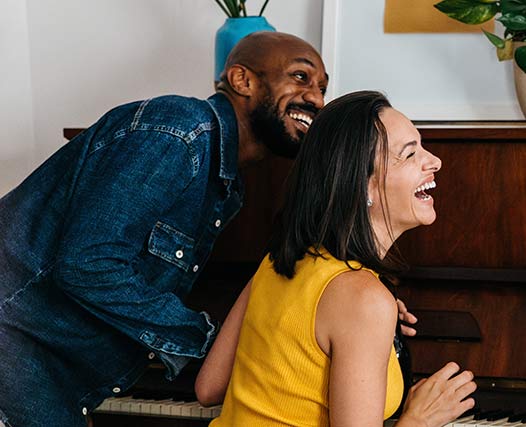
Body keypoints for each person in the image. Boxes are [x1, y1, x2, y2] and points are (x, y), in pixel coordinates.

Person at [0, 32, 331, 427]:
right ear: (242, 80)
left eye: (323, 87)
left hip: (52, 370)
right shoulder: (179, 132)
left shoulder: (225, 183)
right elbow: (88, 264)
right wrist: (215, 344)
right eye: (301, 77)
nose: (317, 99)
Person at [194, 91, 475, 426]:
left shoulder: (278, 262)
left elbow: (208, 388)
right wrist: (420, 419)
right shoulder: (362, 298)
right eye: (410, 154)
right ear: (363, 185)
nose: (435, 162)